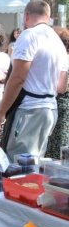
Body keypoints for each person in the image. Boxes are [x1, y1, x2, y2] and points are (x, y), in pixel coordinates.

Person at [0, 0, 68, 161]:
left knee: (17, 167)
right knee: (33, 165)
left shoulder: (29, 35)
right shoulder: (57, 42)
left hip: (29, 110)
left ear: (26, 16)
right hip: (49, 110)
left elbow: (18, 78)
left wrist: (0, 113)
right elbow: (61, 87)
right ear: (48, 17)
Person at [46, 27, 69, 159]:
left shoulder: (62, 60)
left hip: (60, 105)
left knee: (58, 144)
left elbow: (61, 88)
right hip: (59, 104)